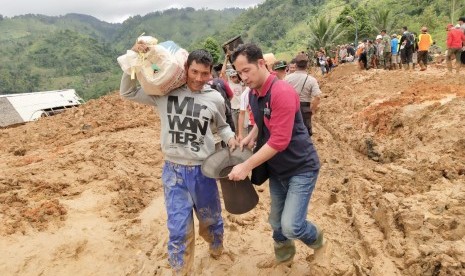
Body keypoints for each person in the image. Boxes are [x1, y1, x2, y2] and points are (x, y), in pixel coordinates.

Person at [120, 44, 237, 275]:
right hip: (174, 172)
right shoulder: (165, 92)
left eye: (204, 73)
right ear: (186, 68)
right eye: (194, 72)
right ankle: (180, 269)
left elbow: (222, 127)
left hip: (204, 170)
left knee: (210, 219)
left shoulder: (214, 98)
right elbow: (128, 92)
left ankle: (216, 246)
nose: (198, 78)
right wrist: (132, 61)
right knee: (178, 228)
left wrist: (232, 139)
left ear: (210, 72)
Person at [228, 43, 323, 265]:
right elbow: (263, 121)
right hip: (278, 169)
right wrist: (252, 135)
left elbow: (279, 141)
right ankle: (284, 255)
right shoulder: (253, 94)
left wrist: (246, 166)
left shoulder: (282, 92)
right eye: (239, 72)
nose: (243, 77)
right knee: (276, 222)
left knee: (292, 225)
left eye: (246, 70)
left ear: (261, 63)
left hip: (301, 167)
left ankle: (318, 240)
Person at [285, 53, 322, 136]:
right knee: (305, 133)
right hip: (305, 109)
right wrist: (312, 109)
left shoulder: (287, 78)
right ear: (307, 65)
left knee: (291, 132)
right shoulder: (311, 80)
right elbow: (318, 97)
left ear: (296, 64)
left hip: (290, 108)